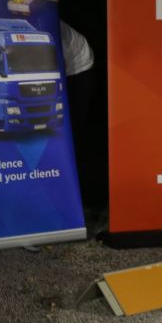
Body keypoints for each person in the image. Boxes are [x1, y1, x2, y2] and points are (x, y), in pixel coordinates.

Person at [60, 20, 104, 210]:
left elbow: (55, 66)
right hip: (57, 64)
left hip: (77, 68)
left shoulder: (43, 24)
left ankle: (82, 203)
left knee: (72, 134)